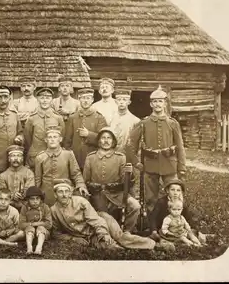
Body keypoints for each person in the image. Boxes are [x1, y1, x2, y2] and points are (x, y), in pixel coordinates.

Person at [126, 85, 186, 215]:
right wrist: (136, 162)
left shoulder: (172, 123)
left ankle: (174, 222)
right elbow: (130, 145)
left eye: (160, 101)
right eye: (155, 101)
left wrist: (182, 167)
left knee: (174, 195)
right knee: (150, 198)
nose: (157, 104)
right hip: (150, 165)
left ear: (165, 103)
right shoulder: (144, 123)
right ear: (150, 104)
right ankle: (152, 225)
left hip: (170, 164)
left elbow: (180, 146)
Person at [50, 179, 156, 250]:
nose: (64, 195)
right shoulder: (54, 210)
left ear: (70, 193)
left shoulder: (80, 202)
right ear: (55, 195)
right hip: (89, 236)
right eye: (60, 192)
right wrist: (73, 239)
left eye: (66, 192)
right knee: (111, 247)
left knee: (120, 237)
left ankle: (153, 244)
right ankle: (126, 248)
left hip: (103, 220)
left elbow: (96, 220)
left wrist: (103, 234)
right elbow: (56, 233)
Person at [83, 127, 141, 232]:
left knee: (135, 206)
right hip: (98, 194)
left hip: (117, 194)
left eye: (109, 138)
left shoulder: (120, 157)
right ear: (99, 141)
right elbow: (85, 180)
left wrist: (130, 174)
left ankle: (127, 231)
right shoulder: (90, 158)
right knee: (104, 218)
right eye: (103, 138)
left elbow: (126, 181)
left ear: (113, 141)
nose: (106, 141)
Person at [34, 126, 89, 206]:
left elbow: (76, 174)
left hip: (65, 192)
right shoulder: (40, 157)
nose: (52, 139)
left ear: (60, 139)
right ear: (45, 140)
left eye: (55, 137)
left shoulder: (68, 154)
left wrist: (81, 185)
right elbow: (37, 179)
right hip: (47, 195)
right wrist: (37, 194)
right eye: (49, 137)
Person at [149, 178, 204, 243]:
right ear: (167, 190)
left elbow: (188, 219)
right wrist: (154, 231)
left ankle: (194, 240)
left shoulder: (182, 203)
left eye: (178, 190)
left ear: (181, 192)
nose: (175, 193)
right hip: (164, 229)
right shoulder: (161, 202)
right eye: (172, 190)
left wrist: (194, 230)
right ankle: (182, 240)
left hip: (177, 228)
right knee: (162, 239)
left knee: (191, 234)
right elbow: (153, 218)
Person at [64, 88, 107, 170]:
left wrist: (89, 134)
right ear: (79, 99)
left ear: (92, 100)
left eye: (88, 98)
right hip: (75, 158)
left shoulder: (99, 117)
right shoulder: (73, 117)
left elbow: (104, 140)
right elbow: (67, 141)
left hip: (94, 158)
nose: (85, 101)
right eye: (83, 98)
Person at [24, 87, 65, 170]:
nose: (45, 100)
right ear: (38, 99)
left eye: (48, 98)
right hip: (35, 154)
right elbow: (28, 138)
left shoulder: (58, 118)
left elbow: (62, 135)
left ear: (51, 100)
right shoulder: (31, 118)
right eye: (42, 98)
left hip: (53, 155)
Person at [0, 145, 36, 211]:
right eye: (13, 156)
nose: (16, 158)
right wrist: (12, 195)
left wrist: (22, 195)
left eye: (18, 156)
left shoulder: (29, 173)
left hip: (26, 205)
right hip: (8, 205)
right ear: (9, 159)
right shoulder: (3, 175)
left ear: (22, 158)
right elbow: (1, 192)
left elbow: (30, 190)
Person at [19, 186, 52, 255]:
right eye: (32, 199)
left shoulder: (45, 207)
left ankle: (39, 248)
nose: (35, 201)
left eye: (37, 199)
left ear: (41, 199)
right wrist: (36, 224)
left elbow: (49, 224)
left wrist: (35, 224)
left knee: (41, 228)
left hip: (43, 234)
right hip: (29, 233)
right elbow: (21, 225)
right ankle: (29, 248)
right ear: (28, 200)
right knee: (29, 228)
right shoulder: (25, 208)